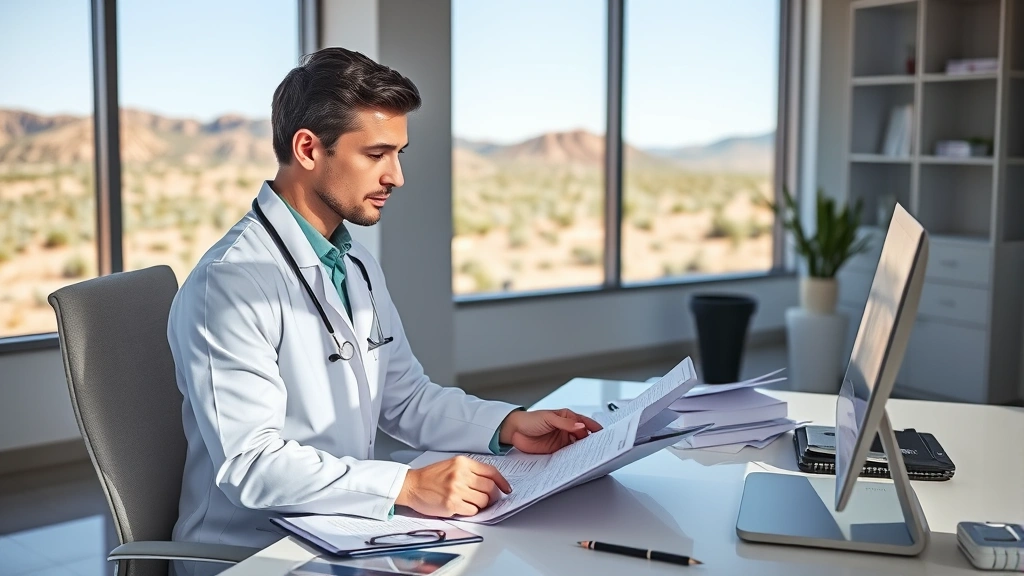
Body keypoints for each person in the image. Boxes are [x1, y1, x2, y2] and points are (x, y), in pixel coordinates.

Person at [166, 46, 601, 555]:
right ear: (308, 149)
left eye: (398, 154)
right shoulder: (231, 283)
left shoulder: (355, 264)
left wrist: (507, 425)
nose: (396, 176)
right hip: (252, 552)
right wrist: (407, 486)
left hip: (346, 529)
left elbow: (405, 398)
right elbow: (251, 466)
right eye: (376, 155)